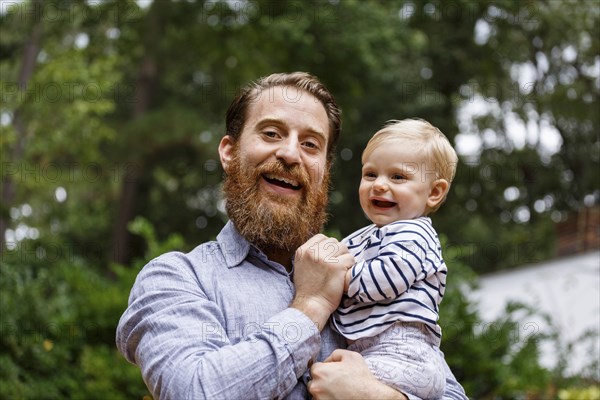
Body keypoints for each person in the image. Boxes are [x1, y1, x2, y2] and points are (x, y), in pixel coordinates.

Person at [116, 72, 467, 399]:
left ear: (324, 171)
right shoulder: (177, 278)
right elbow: (194, 390)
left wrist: (380, 396)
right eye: (271, 133)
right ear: (229, 152)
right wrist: (310, 306)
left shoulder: (358, 262)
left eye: (311, 144)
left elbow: (441, 384)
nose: (289, 153)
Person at [330, 119, 458, 399]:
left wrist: (335, 276)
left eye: (397, 177)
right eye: (371, 174)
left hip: (405, 354)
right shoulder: (368, 234)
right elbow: (336, 255)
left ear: (434, 192)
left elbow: (386, 279)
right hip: (378, 352)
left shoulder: (415, 234)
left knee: (331, 381)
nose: (379, 185)